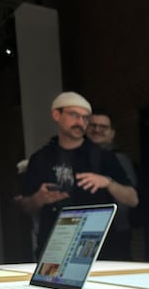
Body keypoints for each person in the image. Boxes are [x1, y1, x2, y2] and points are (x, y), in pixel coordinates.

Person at [18, 92, 138, 259]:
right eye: (74, 115)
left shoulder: (103, 157)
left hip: (98, 249)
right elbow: (25, 205)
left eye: (85, 118)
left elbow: (132, 199)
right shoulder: (40, 158)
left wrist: (108, 183)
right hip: (54, 247)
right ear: (56, 114)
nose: (80, 122)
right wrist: (39, 199)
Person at [86, 111, 138, 260]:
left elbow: (130, 196)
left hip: (114, 230)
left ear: (112, 133)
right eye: (93, 125)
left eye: (103, 127)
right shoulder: (81, 156)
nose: (97, 130)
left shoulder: (118, 158)